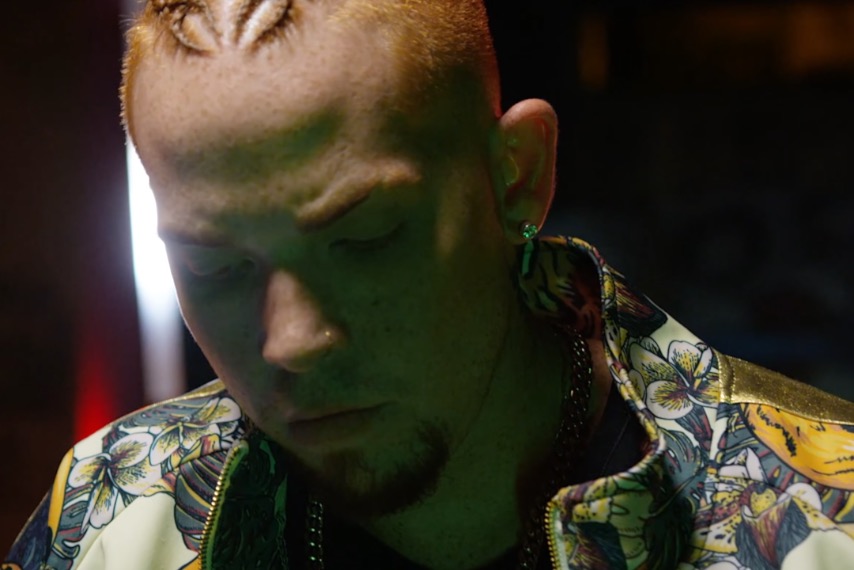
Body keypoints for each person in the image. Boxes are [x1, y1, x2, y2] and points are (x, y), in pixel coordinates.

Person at [5, 1, 854, 568]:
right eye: (213, 267)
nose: (292, 342)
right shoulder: (110, 521)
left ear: (517, 178)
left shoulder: (822, 522)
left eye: (364, 240)